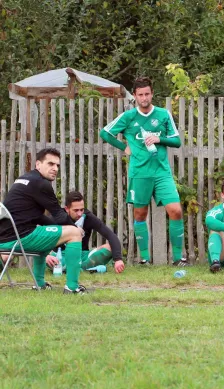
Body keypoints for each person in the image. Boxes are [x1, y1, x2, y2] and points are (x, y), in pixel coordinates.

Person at [100, 76, 187, 266]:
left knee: (176, 210)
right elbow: (105, 133)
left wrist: (159, 139)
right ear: (135, 97)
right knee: (140, 214)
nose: (144, 98)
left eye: (147, 94)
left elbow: (177, 141)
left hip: (161, 172)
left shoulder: (163, 114)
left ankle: (178, 259)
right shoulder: (129, 117)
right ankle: (145, 259)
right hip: (139, 172)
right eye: (140, 95)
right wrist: (124, 148)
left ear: (152, 94)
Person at [0, 148, 86, 294]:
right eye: (50, 164)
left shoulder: (25, 179)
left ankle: (39, 284)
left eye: (57, 165)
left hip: (5, 237)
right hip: (19, 237)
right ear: (38, 164)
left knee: (47, 234)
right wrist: (76, 230)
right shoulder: (41, 184)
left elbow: (38, 217)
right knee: (74, 233)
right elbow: (59, 214)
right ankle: (72, 288)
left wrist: (57, 230)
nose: (55, 168)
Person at [45, 191, 125, 274]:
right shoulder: (56, 217)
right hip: (61, 256)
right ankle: (87, 270)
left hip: (83, 255)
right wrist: (46, 256)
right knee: (47, 258)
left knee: (110, 247)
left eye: (81, 209)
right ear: (67, 209)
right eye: (76, 210)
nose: (79, 213)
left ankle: (73, 270)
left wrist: (118, 259)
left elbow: (110, 235)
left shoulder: (88, 217)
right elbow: (41, 239)